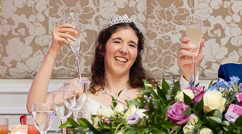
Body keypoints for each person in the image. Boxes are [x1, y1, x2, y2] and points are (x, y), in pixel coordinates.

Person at [26, 15, 155, 118]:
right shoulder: (80, 88)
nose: (124, 50)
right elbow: (34, 107)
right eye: (117, 42)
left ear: (136, 54)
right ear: (102, 47)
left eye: (132, 45)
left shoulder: (149, 94)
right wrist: (54, 49)